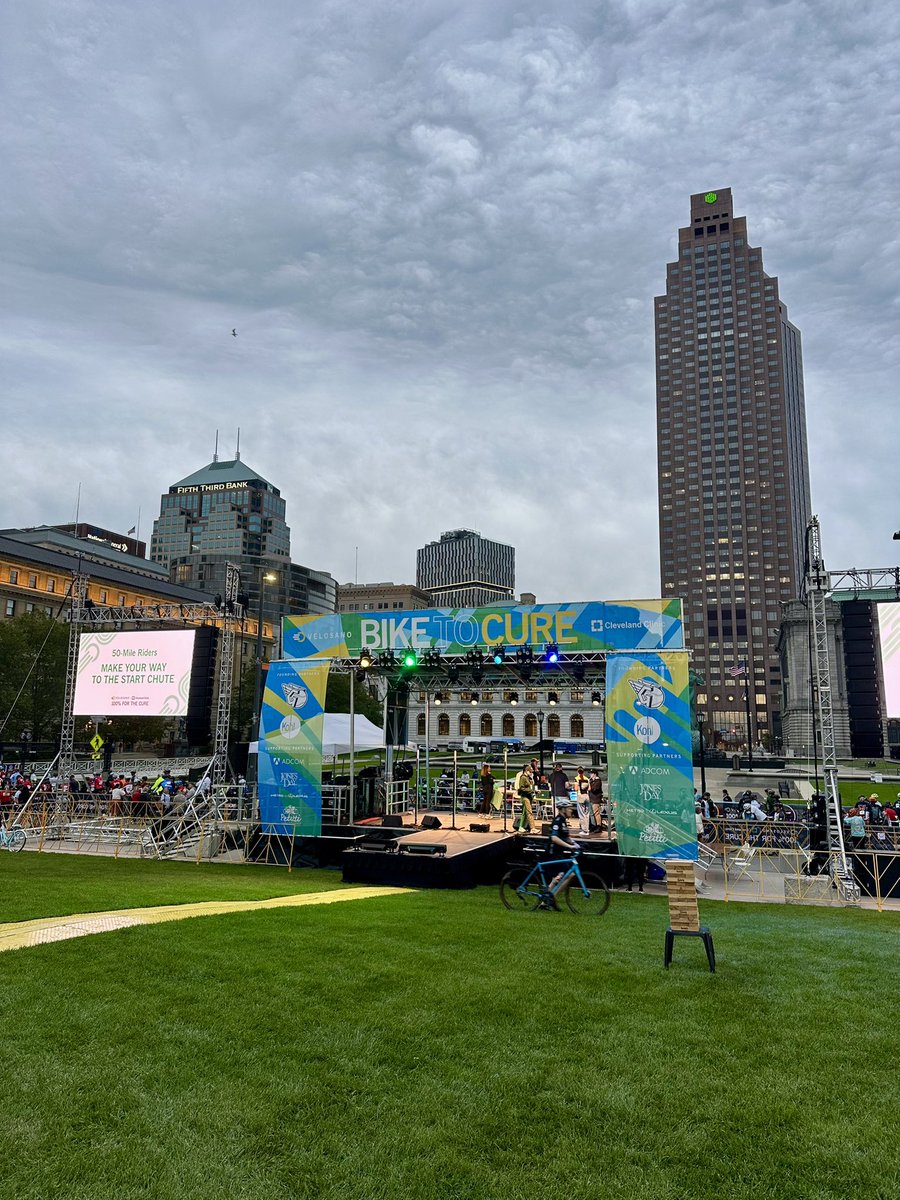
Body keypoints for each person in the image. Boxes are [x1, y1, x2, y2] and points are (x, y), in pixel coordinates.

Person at [542, 798, 580, 907]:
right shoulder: (558, 821)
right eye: (569, 808)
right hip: (553, 853)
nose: (571, 810)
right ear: (563, 809)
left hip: (559, 853)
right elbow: (554, 838)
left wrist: (575, 844)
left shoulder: (563, 821)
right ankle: (552, 898)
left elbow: (566, 836)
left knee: (560, 876)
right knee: (570, 874)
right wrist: (569, 846)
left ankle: (545, 901)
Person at [515, 764, 536, 833]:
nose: (531, 773)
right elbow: (521, 788)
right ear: (526, 771)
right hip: (525, 796)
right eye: (530, 771)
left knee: (524, 813)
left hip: (529, 796)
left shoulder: (528, 778)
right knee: (529, 812)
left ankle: (521, 826)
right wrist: (531, 791)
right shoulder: (523, 777)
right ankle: (532, 828)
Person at [574, 767, 591, 835]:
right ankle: (587, 829)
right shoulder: (587, 779)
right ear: (583, 772)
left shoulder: (576, 778)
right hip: (587, 796)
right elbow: (589, 788)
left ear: (577, 772)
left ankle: (584, 830)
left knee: (581, 814)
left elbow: (576, 789)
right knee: (587, 814)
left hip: (580, 796)